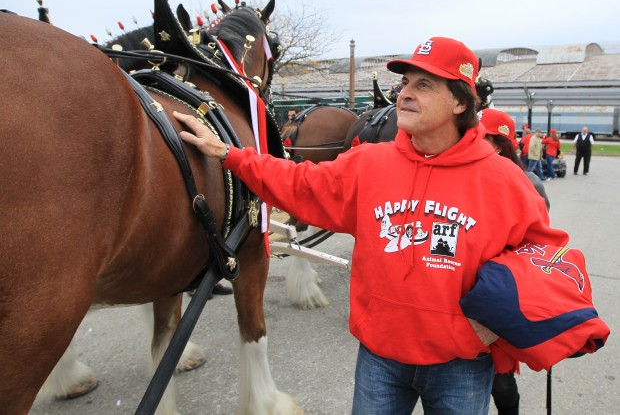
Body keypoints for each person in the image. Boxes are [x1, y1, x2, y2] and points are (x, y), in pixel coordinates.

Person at [173, 36, 568, 414]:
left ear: (460, 103)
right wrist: (229, 154)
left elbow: (545, 258)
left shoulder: (504, 180)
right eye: (405, 82)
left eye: (424, 84)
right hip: (380, 360)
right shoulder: (370, 163)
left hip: (460, 366)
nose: (405, 93)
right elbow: (299, 183)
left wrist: (494, 327)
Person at [478, 108, 551, 415]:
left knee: (500, 377)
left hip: (497, 291)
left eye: (480, 138)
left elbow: (538, 246)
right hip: (460, 291)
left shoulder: (527, 182)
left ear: (498, 144)